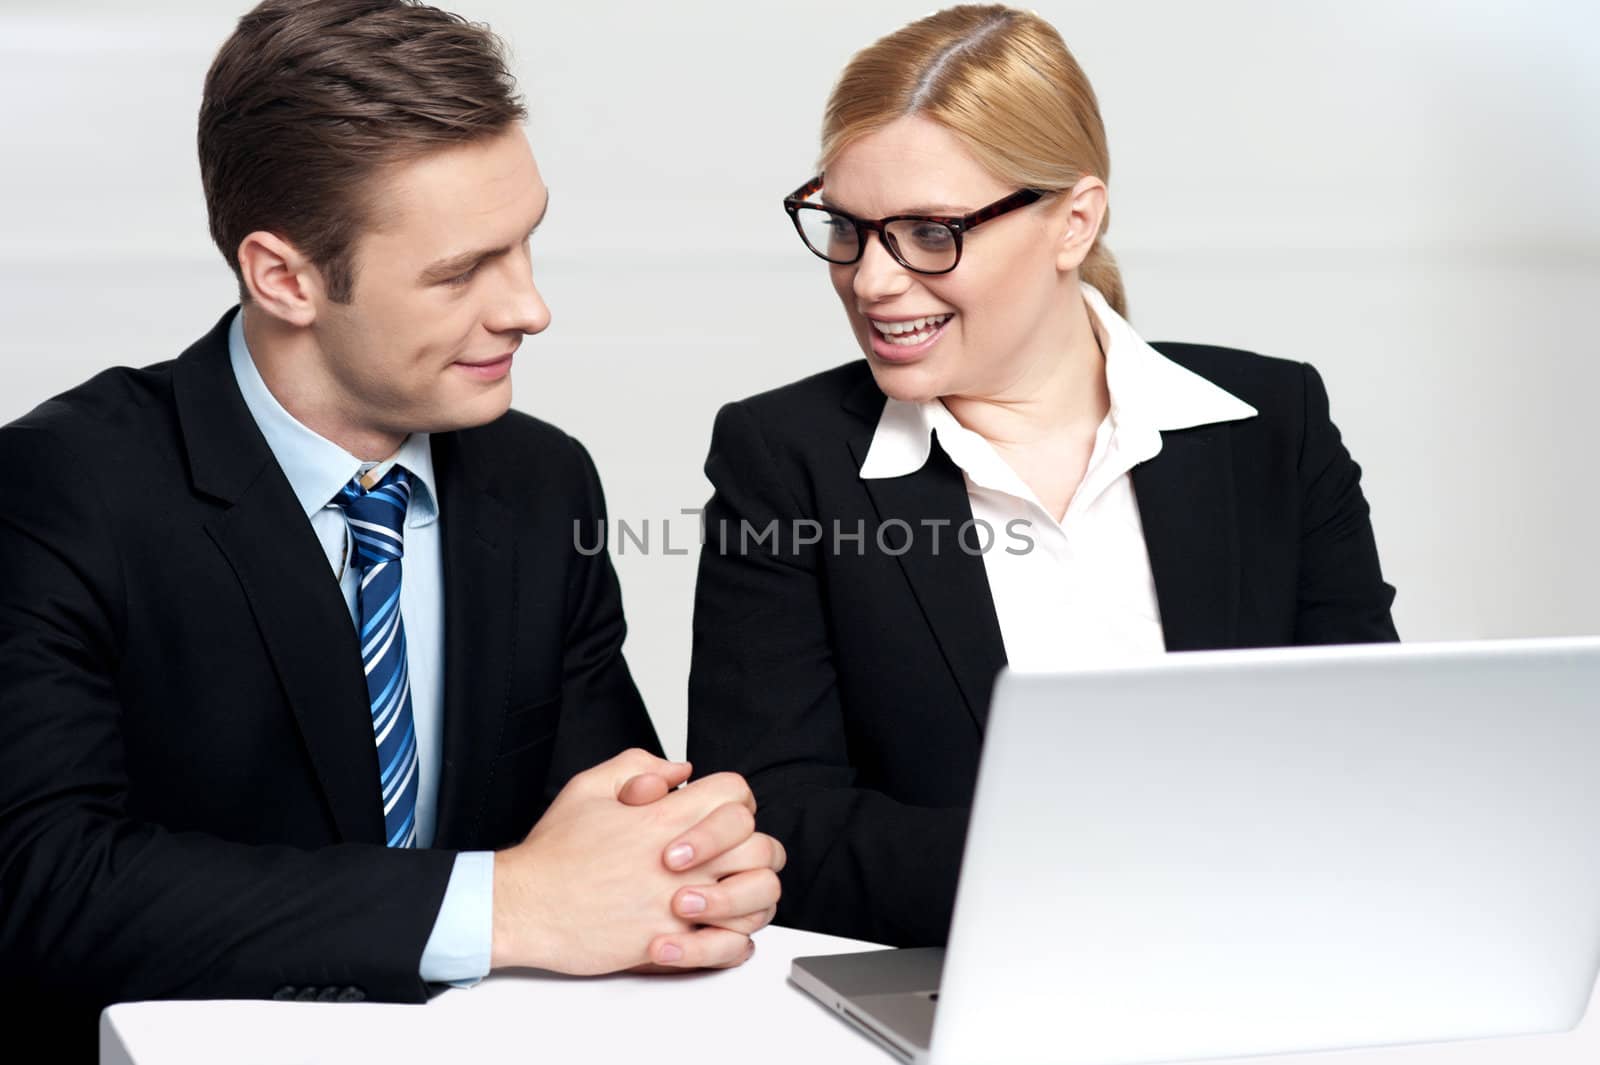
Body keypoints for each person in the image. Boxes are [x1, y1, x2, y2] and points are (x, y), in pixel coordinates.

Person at [0, 0, 781, 1057]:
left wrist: (689, 868)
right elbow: (45, 887)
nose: (530, 308)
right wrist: (506, 904)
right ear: (285, 277)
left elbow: (607, 824)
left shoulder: (542, 480)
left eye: (526, 245)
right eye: (462, 272)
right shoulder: (62, 486)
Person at [687, 3, 1397, 949]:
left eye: (932, 233)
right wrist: (1107, 881)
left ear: (1074, 220)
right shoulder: (785, 457)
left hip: (1271, 959)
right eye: (848, 230)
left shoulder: (1271, 423)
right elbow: (777, 820)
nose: (872, 281)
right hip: (973, 983)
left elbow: (1370, 750)